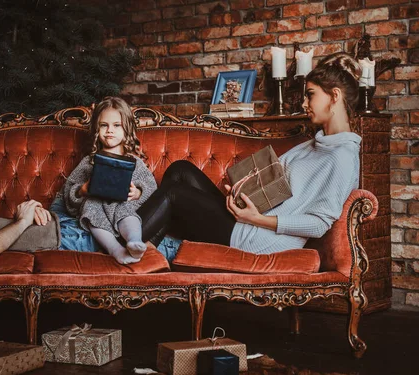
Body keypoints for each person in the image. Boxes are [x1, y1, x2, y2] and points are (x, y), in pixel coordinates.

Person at [137, 52, 363, 254]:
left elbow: (319, 224)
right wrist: (241, 192)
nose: (304, 103)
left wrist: (259, 219)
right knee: (180, 170)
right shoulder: (315, 143)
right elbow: (273, 181)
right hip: (248, 221)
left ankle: (119, 246)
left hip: (260, 238)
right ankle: (151, 247)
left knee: (174, 193)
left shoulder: (342, 156)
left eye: (310, 95)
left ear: (334, 96)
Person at [62, 97, 157, 264]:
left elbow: (151, 186)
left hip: (124, 206)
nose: (109, 131)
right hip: (95, 205)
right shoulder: (89, 162)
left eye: (116, 125)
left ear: (126, 128)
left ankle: (134, 240)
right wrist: (82, 190)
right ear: (97, 129)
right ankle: (115, 250)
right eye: (104, 125)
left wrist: (138, 193)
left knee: (125, 207)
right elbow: (69, 189)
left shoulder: (134, 162)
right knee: (91, 205)